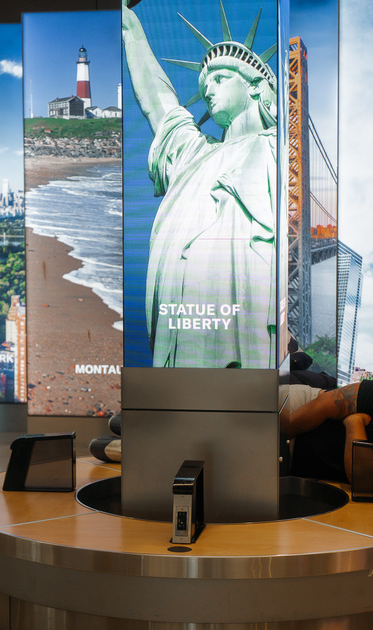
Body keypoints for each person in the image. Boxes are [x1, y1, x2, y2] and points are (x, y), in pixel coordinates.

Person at [122, 1, 277, 368]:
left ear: (255, 85)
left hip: (250, 309)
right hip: (185, 321)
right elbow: (158, 102)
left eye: (220, 78)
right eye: (205, 83)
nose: (208, 90)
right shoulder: (194, 154)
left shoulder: (280, 149)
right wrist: (127, 22)